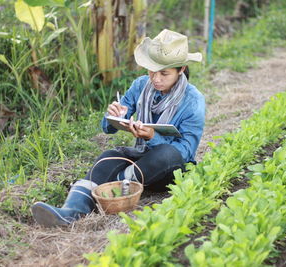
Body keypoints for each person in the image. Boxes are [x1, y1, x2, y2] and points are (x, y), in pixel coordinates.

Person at [31, 29, 206, 227]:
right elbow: (108, 127)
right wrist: (115, 116)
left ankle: (108, 190)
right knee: (108, 157)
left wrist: (152, 136)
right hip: (142, 161)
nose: (156, 79)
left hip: (170, 170)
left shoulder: (193, 100)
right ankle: (71, 213)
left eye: (164, 73)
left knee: (166, 153)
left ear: (181, 69)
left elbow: (185, 152)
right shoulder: (141, 85)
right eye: (151, 71)